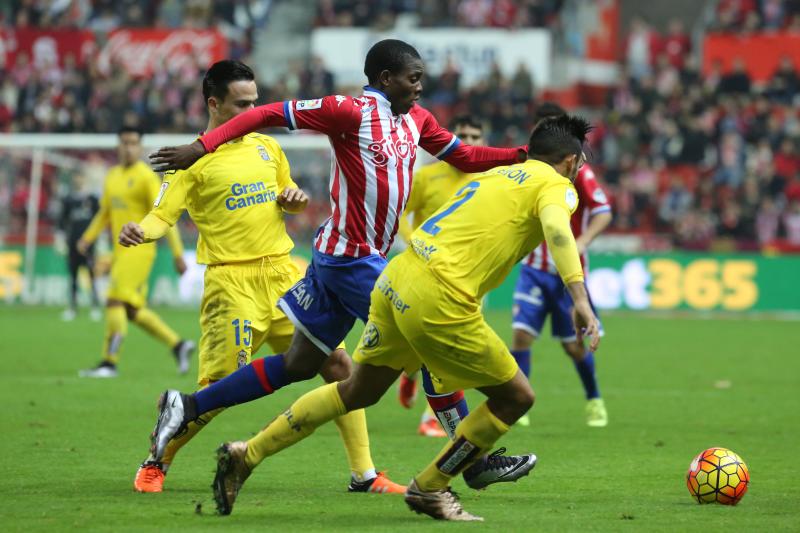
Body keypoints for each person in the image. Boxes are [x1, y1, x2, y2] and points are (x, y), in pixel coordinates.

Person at [147, 39, 532, 488]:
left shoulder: (417, 120)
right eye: (413, 79)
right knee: (431, 341)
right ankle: (472, 462)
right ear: (386, 79)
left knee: (298, 365)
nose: (420, 88)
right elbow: (264, 114)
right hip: (351, 259)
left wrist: (523, 156)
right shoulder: (348, 112)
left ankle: (187, 405)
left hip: (340, 258)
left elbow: (465, 157)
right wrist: (202, 146)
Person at [208, 114, 601, 520]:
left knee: (358, 389)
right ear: (570, 162)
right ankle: (431, 487)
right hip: (442, 297)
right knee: (517, 397)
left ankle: (246, 454)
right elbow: (558, 230)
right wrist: (579, 297)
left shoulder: (497, 175)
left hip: (398, 276)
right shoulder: (556, 186)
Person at [121, 59, 403, 495]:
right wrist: (142, 230)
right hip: (231, 284)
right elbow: (162, 215)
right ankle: (158, 459)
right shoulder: (192, 159)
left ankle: (363, 474)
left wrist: (293, 199)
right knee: (217, 392)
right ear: (213, 104)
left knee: (339, 366)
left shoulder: (266, 148)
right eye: (241, 104)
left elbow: (286, 198)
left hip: (285, 274)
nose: (253, 112)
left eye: (256, 102)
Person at [509, 103, 612, 428]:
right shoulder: (526, 166)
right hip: (533, 269)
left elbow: (603, 211)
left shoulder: (577, 170)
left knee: (573, 346)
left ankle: (594, 398)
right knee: (521, 336)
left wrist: (581, 243)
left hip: (568, 274)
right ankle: (519, 404)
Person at [395, 114, 486, 438]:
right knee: (438, 342)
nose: (469, 141)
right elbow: (401, 213)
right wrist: (413, 242)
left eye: (475, 135)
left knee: (453, 343)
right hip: (426, 271)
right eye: (463, 135)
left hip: (468, 274)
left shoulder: (486, 179)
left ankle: (421, 394)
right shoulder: (427, 177)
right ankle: (415, 380)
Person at [77, 127, 194, 378]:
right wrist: (87, 238)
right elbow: (105, 212)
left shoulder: (145, 177)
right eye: (124, 142)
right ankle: (178, 344)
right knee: (130, 310)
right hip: (119, 251)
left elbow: (164, 214)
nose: (128, 147)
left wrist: (177, 254)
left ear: (140, 147)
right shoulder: (112, 176)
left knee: (114, 300)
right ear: (118, 145)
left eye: (133, 143)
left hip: (140, 251)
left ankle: (109, 362)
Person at [57, 172, 101, 322]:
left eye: (81, 176)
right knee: (73, 276)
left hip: (89, 243)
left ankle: (95, 306)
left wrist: (100, 239)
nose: (78, 179)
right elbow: (62, 221)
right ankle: (72, 308)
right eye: (76, 177)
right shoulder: (68, 200)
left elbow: (100, 218)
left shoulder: (93, 199)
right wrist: (61, 239)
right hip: (73, 244)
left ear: (85, 179)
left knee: (92, 275)